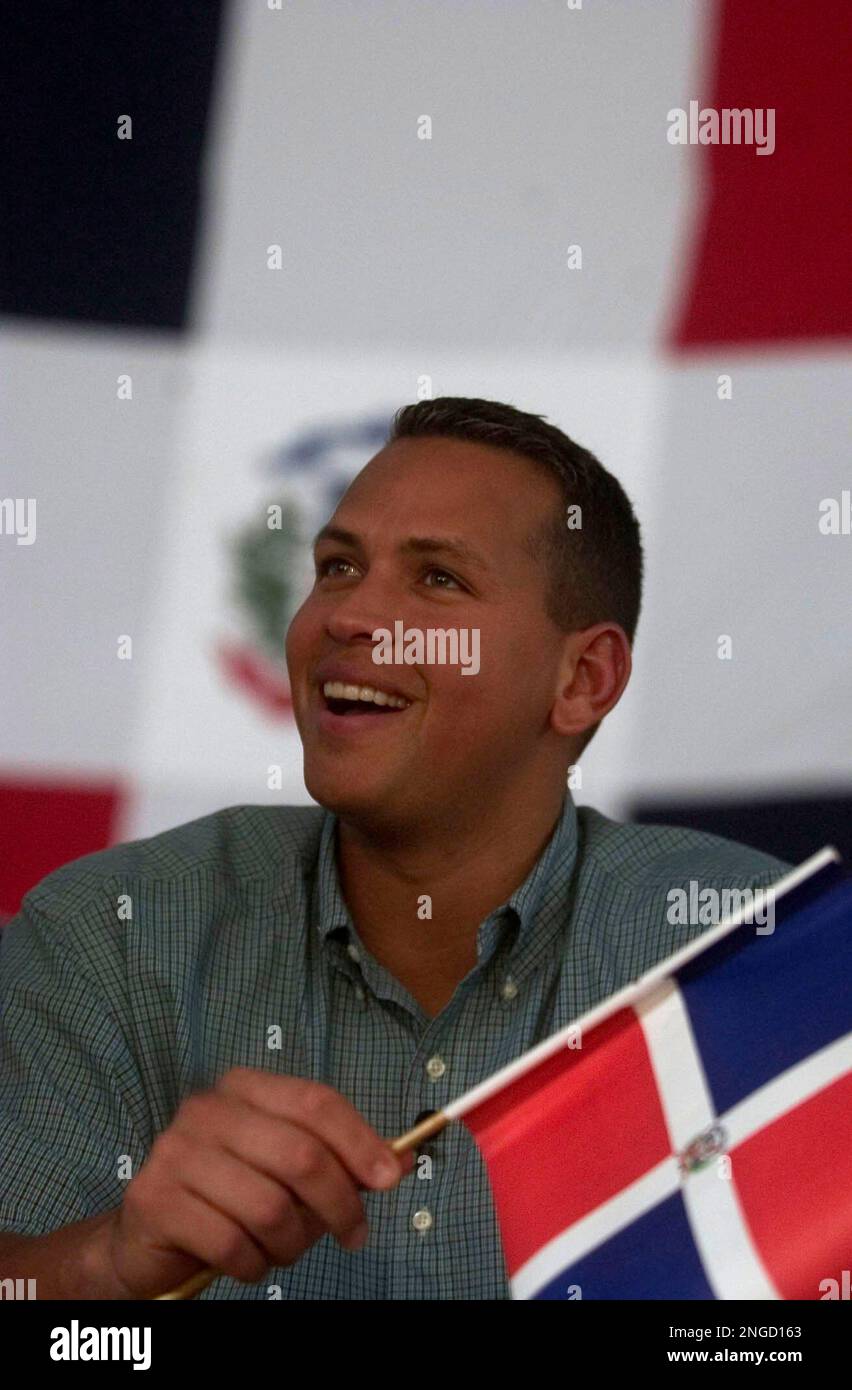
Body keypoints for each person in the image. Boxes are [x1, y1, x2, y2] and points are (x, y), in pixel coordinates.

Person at [0, 397, 788, 1299]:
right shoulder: (111, 935)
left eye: (438, 581)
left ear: (582, 680)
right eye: (337, 567)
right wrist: (107, 1266)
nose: (348, 616)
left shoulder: (749, 950)